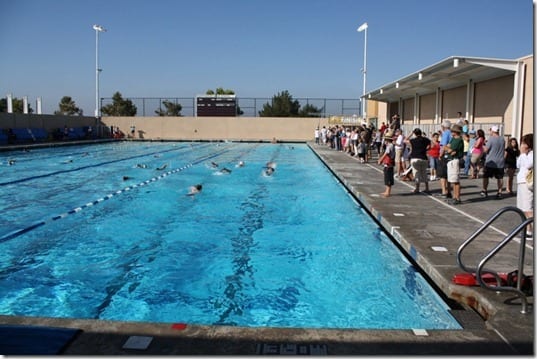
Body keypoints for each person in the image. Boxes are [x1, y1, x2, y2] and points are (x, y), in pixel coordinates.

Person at [480, 125, 505, 198]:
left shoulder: (491, 139)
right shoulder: (502, 139)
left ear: (493, 131)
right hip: (500, 161)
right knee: (500, 178)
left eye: (490, 130)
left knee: (486, 176)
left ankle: (484, 190)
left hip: (491, 161)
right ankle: (499, 192)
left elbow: (486, 150)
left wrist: (483, 145)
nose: (490, 132)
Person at [516, 133, 533, 237]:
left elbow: (528, 165)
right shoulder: (525, 155)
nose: (522, 145)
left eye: (524, 143)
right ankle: (528, 229)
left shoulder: (532, 154)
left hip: (527, 183)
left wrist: (523, 154)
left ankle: (531, 230)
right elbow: (518, 164)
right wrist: (522, 154)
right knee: (523, 208)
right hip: (521, 181)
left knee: (528, 208)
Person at [443, 124, 464, 205]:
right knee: (453, 180)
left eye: (452, 131)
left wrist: (448, 149)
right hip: (450, 160)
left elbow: (451, 151)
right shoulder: (453, 139)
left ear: (455, 132)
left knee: (456, 181)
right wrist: (448, 148)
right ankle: (455, 197)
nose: (451, 132)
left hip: (455, 160)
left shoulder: (458, 140)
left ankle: (457, 198)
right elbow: (446, 147)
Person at [408, 128, 431, 194]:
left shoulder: (412, 140)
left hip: (415, 157)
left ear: (415, 134)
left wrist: (411, 134)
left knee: (416, 173)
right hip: (424, 157)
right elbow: (430, 145)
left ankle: (417, 188)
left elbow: (405, 140)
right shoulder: (426, 139)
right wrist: (426, 149)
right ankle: (427, 188)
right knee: (424, 173)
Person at [377, 130, 395, 198]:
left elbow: (386, 154)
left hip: (389, 164)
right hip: (389, 163)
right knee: (387, 177)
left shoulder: (389, 146)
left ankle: (388, 192)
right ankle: (387, 191)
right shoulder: (390, 145)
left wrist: (380, 159)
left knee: (388, 178)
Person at [437, 120, 452, 198]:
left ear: (443, 126)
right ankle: (449, 191)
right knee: (449, 174)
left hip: (445, 155)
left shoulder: (446, 133)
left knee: (443, 174)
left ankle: (444, 191)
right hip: (450, 155)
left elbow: (443, 145)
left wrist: (440, 155)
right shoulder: (451, 133)